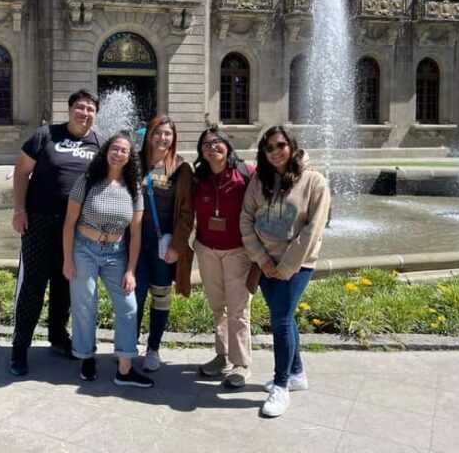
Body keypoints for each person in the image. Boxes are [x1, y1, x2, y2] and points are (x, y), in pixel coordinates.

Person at [9, 90, 102, 376]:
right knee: (33, 286)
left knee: (66, 282)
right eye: (80, 107)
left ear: (95, 115)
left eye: (90, 109)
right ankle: (19, 348)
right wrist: (18, 210)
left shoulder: (98, 143)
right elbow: (21, 171)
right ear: (70, 109)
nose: (84, 113)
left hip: (76, 227)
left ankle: (58, 336)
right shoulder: (46, 135)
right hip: (39, 221)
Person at [240, 126, 330, 418]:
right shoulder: (259, 181)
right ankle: (297, 373)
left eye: (280, 145)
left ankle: (281, 385)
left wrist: (286, 266)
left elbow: (313, 230)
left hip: (297, 265)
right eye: (269, 148)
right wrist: (261, 258)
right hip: (266, 263)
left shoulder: (314, 181)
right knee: (285, 317)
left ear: (291, 146)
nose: (275, 152)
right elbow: (246, 219)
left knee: (280, 319)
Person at [62, 132, 153, 388]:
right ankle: (86, 356)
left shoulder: (134, 188)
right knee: (84, 305)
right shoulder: (87, 180)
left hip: (116, 252)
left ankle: (124, 368)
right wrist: (67, 260)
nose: (118, 154)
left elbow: (135, 234)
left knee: (129, 306)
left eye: (124, 150)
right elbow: (69, 224)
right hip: (84, 250)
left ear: (129, 157)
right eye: (115, 148)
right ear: (106, 151)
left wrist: (131, 270)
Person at [192, 127, 254, 388]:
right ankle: (222, 356)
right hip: (207, 250)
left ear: (227, 146)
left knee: (238, 309)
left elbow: (277, 182)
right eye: (206, 144)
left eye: (217, 142)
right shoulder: (199, 177)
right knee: (219, 306)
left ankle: (241, 364)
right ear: (201, 151)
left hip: (238, 252)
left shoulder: (246, 173)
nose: (212, 147)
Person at [135, 116, 194, 372]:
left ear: (174, 137)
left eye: (167, 133)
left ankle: (154, 348)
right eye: (157, 132)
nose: (162, 138)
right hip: (134, 243)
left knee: (160, 296)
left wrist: (177, 247)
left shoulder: (181, 168)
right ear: (149, 134)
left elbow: (187, 213)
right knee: (132, 297)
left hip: (163, 246)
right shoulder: (133, 163)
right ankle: (128, 344)